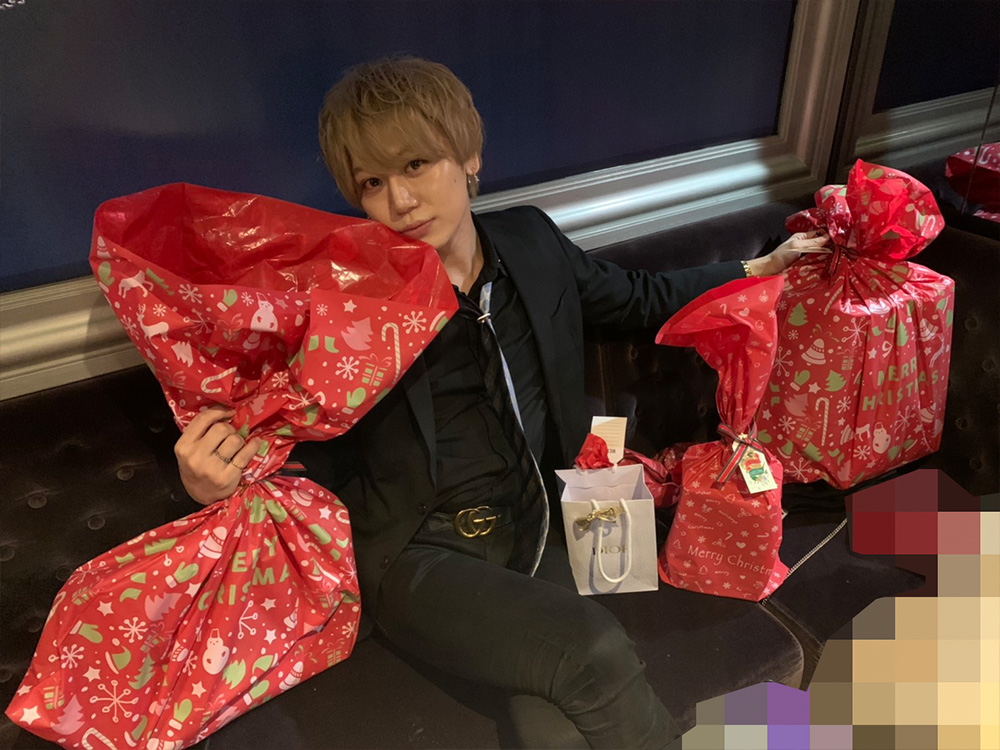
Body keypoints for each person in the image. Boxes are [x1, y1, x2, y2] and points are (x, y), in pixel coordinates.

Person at [174, 57, 828, 748]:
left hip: (544, 519)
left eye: (416, 164)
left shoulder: (530, 242)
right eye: (373, 183)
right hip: (426, 556)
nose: (400, 201)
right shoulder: (347, 304)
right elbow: (290, 439)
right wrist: (212, 481)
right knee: (593, 650)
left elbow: (635, 296)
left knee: (557, 726)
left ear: (469, 157)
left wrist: (758, 267)